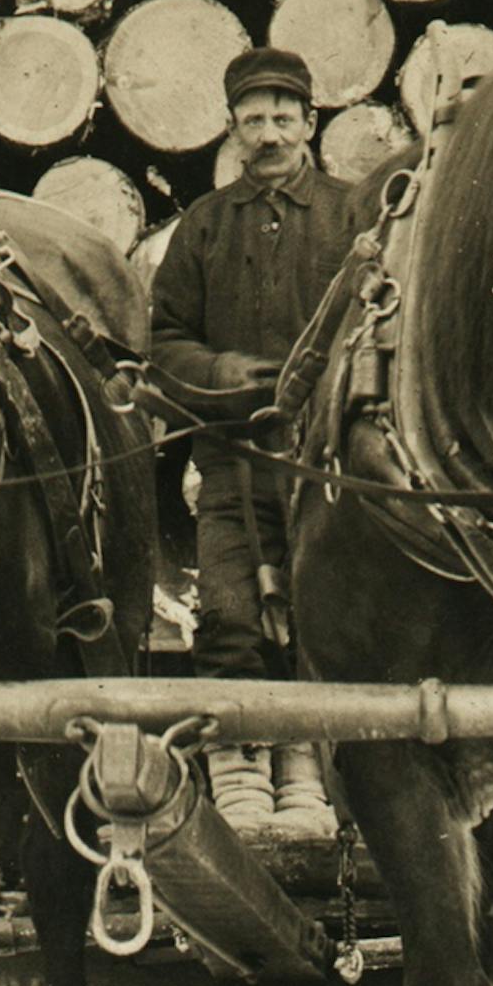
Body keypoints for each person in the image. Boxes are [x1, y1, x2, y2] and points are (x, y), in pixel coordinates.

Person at [149, 50, 366, 840]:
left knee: (321, 612)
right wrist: (222, 373)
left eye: (283, 117)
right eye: (253, 119)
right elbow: (164, 339)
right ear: (232, 129)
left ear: (310, 124)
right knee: (232, 612)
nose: (268, 133)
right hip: (229, 459)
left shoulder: (353, 218)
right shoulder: (204, 228)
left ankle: (307, 768)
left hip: (330, 465)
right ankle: (239, 766)